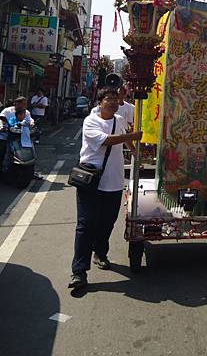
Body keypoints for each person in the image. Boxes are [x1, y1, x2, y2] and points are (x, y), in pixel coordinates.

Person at [69, 88, 142, 290]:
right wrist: (135, 135)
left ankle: (100, 253)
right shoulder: (90, 121)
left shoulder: (119, 119)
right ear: (99, 102)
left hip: (114, 182)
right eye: (107, 99)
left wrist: (135, 152)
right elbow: (106, 140)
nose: (111, 102)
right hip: (90, 182)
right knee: (85, 225)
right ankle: (79, 271)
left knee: (107, 222)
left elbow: (125, 136)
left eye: (114, 99)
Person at [0, 97, 34, 173]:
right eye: (23, 103)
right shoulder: (7, 111)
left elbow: (30, 120)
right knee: (2, 150)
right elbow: (1, 119)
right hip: (6, 136)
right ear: (16, 103)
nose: (25, 105)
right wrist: (1, 126)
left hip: (22, 137)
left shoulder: (26, 112)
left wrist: (32, 124)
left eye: (25, 104)